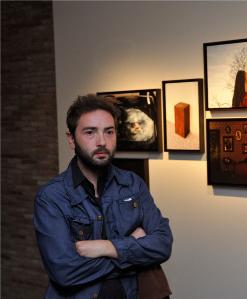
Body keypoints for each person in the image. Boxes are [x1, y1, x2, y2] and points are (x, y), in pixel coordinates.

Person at [34, 95, 173, 299]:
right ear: (71, 139)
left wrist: (106, 247)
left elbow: (162, 244)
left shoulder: (132, 184)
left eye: (109, 132)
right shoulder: (51, 197)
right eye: (90, 132)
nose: (102, 142)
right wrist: (134, 251)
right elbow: (65, 271)